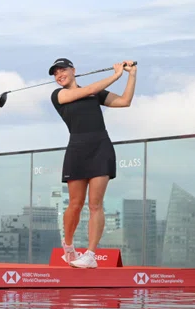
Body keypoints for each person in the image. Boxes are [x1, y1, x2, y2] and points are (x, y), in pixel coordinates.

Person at [50, 57, 137, 268]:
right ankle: (69, 246)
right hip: (77, 150)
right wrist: (115, 75)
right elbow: (85, 90)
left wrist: (131, 76)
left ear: (73, 70)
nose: (59, 75)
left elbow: (125, 101)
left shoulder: (94, 93)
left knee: (95, 204)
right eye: (55, 73)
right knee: (75, 204)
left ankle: (90, 254)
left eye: (62, 70)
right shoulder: (59, 95)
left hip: (100, 148)